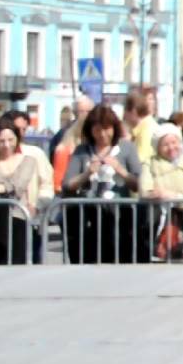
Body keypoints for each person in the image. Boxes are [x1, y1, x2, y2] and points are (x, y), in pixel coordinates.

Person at [63, 105, 143, 263]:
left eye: (106, 129)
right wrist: (87, 173)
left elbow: (138, 183)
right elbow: (67, 184)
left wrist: (120, 170)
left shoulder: (127, 148)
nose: (102, 134)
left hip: (119, 215)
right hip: (88, 216)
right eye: (97, 130)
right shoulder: (82, 151)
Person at [141, 124, 183, 261]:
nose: (171, 147)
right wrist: (156, 195)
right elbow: (146, 190)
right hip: (159, 218)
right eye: (165, 144)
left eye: (174, 142)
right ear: (157, 147)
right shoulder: (150, 164)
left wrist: (174, 197)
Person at [0, 117, 38, 263]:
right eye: (1, 141)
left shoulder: (28, 160)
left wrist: (2, 188)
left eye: (10, 140)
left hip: (17, 218)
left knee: (16, 262)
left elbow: (18, 187)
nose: (6, 145)